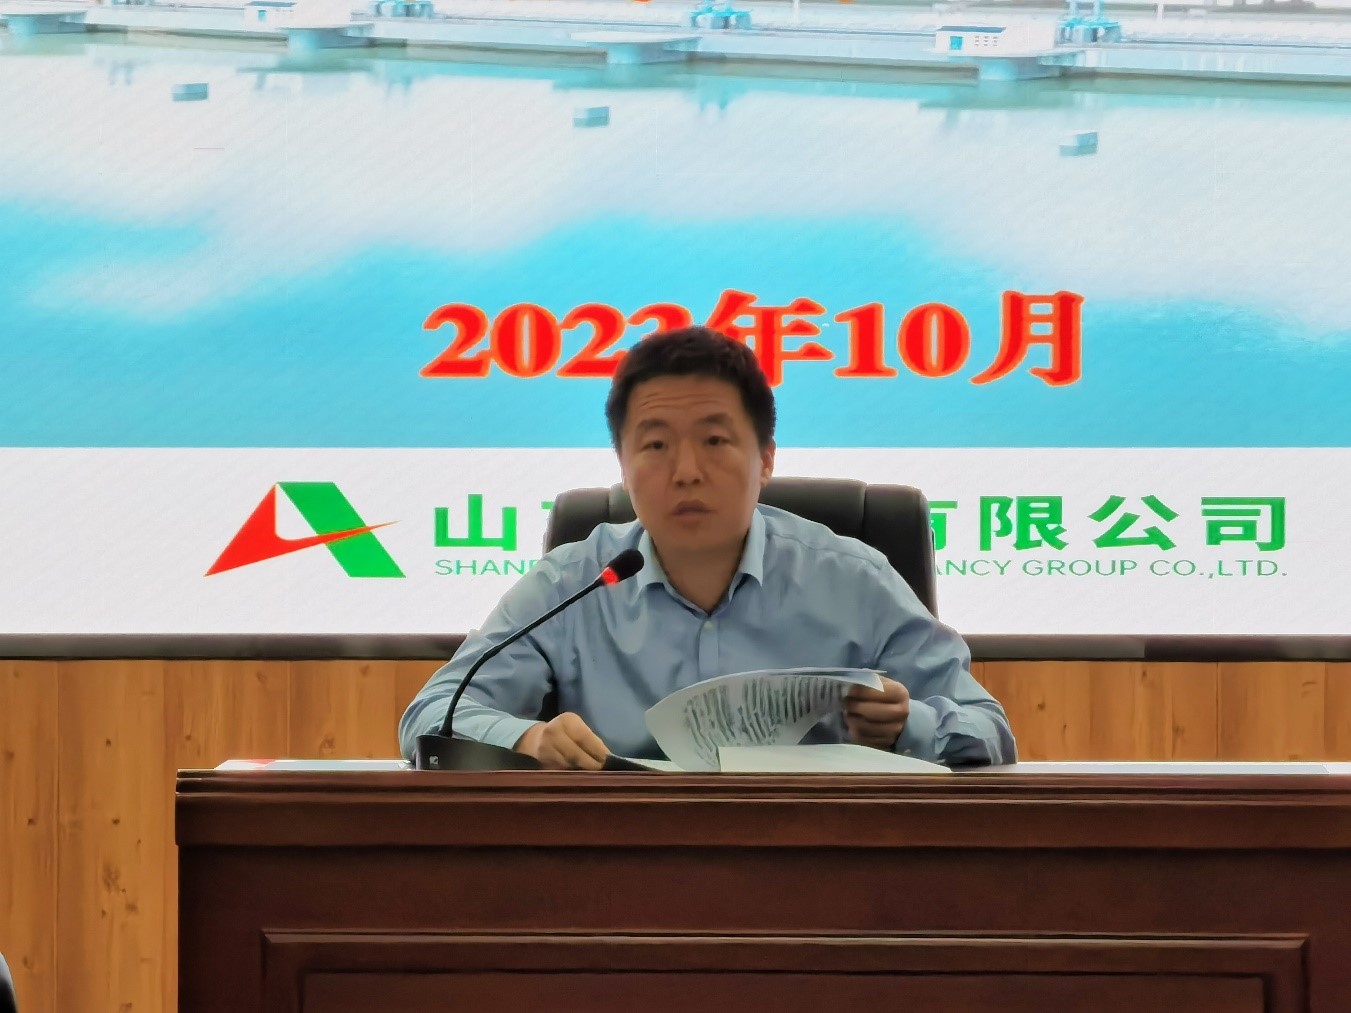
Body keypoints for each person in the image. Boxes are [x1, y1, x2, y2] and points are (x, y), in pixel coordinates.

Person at [399, 326, 1015, 769]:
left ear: (765, 460)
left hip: (816, 863)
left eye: (715, 441)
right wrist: (526, 740)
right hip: (623, 868)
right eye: (656, 445)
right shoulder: (575, 581)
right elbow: (432, 715)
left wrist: (909, 726)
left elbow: (990, 731)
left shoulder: (852, 579)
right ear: (623, 466)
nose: (686, 472)